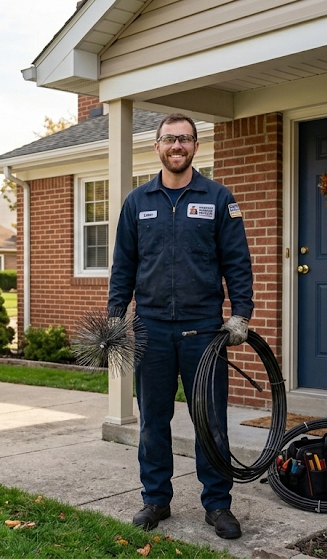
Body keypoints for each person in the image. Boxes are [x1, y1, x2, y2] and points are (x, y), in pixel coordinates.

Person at [107, 113, 254, 539]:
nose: (177, 146)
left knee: (209, 419)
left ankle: (218, 505)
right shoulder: (137, 202)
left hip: (204, 331)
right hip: (151, 329)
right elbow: (124, 266)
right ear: (157, 146)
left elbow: (237, 263)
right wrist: (116, 314)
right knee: (153, 419)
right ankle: (156, 499)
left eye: (185, 139)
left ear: (195, 146)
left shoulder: (218, 197)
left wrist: (240, 312)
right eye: (170, 139)